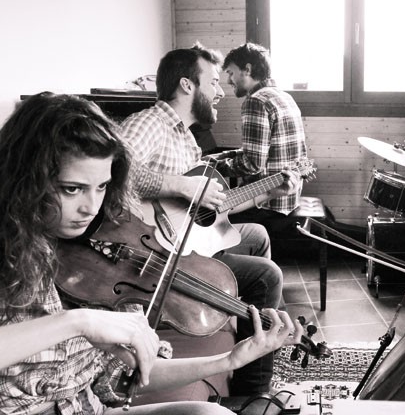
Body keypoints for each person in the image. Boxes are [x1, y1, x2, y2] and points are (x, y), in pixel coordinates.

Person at [0, 92, 302, 415]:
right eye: (72, 189)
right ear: (25, 179)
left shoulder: (101, 255)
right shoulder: (11, 254)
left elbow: (131, 374)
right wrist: (77, 322)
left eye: (101, 187)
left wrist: (230, 360)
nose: (91, 207)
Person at [119, 43, 299, 396]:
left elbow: (210, 209)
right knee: (267, 276)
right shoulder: (150, 123)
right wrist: (182, 185)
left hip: (185, 241)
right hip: (155, 254)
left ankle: (250, 330)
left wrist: (266, 194)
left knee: (256, 234)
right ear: (187, 85)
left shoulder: (186, 138)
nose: (221, 92)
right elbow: (114, 172)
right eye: (214, 82)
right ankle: (252, 391)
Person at [222, 42, 308, 232]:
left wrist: (214, 168)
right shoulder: (284, 97)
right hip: (289, 198)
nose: (228, 80)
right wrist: (225, 156)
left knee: (206, 221)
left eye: (230, 73)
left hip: (266, 205)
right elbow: (266, 150)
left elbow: (252, 165)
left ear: (247, 69)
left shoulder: (256, 102)